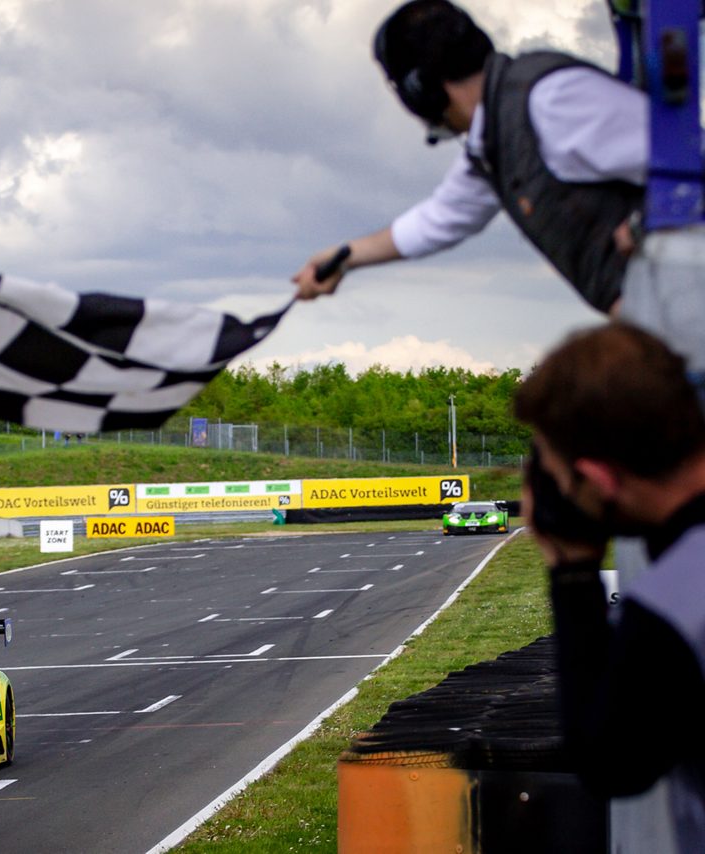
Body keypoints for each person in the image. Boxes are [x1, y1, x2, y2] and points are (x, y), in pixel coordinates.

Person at [291, 0, 647, 318]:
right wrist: (344, 257)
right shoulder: (493, 140)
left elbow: (688, 160)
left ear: (420, 89)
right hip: (656, 315)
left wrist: (644, 222)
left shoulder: (549, 100)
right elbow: (438, 220)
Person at [514, 322, 705, 851]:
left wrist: (573, 571)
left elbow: (611, 764)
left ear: (598, 481)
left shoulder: (676, 606)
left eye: (564, 481)